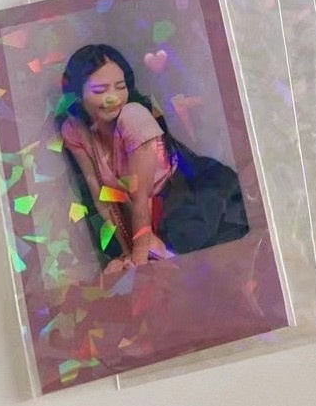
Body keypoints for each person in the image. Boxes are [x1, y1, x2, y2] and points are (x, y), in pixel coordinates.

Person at [57, 44, 249, 274]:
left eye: (120, 87)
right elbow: (101, 197)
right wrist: (128, 252)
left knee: (196, 275)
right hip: (138, 216)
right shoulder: (74, 130)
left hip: (187, 204)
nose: (113, 98)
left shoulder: (133, 116)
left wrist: (138, 263)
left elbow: (141, 199)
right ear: (79, 94)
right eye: (100, 90)